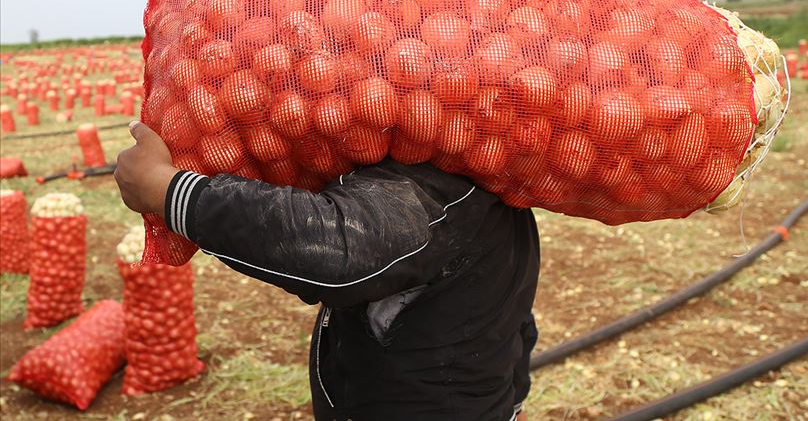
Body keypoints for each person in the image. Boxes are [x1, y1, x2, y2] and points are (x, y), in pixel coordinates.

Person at [115, 120, 540, 421]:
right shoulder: (496, 186)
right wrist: (514, 402)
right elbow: (517, 322)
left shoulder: (436, 191)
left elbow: (336, 249)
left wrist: (172, 192)